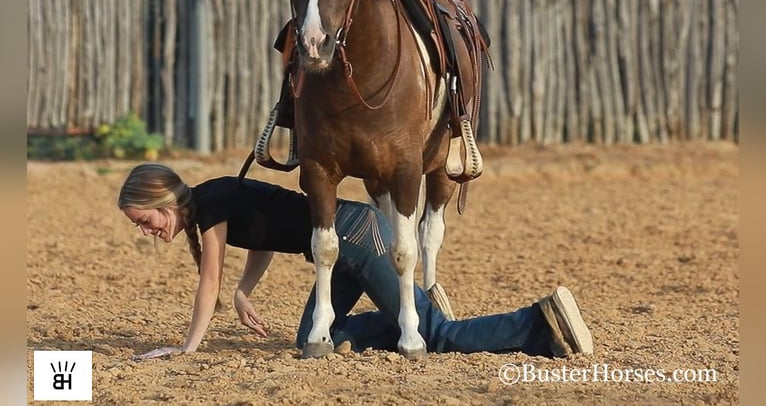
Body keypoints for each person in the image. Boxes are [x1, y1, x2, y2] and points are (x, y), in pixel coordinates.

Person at [117, 163, 593, 361]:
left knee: (437, 337)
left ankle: (539, 324)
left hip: (355, 239)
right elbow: (261, 235)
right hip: (345, 247)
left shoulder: (209, 206)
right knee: (312, 341)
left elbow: (208, 280)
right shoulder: (213, 200)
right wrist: (245, 293)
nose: (148, 230)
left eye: (146, 218)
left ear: (164, 197)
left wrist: (187, 349)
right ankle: (415, 304)